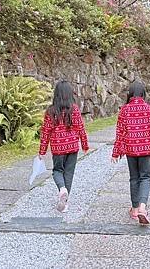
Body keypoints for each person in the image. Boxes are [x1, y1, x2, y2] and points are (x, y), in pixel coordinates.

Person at [112, 80, 150, 225]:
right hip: (146, 148)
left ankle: (135, 209)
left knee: (134, 178)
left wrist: (115, 152)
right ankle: (143, 208)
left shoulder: (124, 110)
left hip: (130, 148)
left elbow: (120, 133)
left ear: (130, 94)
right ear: (143, 93)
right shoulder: (149, 108)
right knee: (145, 177)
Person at [39, 80, 89, 213]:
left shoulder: (51, 111)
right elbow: (80, 128)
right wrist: (85, 145)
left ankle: (62, 189)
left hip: (58, 148)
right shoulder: (75, 109)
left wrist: (42, 151)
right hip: (72, 147)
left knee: (57, 171)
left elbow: (46, 132)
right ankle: (65, 202)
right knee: (69, 173)